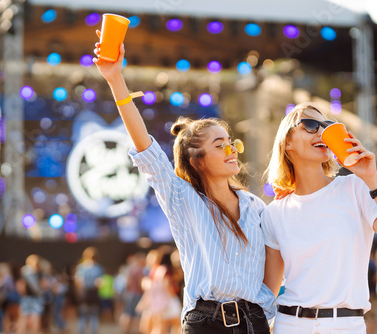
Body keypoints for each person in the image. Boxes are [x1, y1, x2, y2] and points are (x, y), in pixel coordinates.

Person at [93, 34, 276, 333]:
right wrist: (116, 80)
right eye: (220, 145)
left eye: (231, 143)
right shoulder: (182, 198)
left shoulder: (255, 206)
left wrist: (265, 306)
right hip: (206, 323)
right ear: (197, 160)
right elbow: (146, 149)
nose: (231, 150)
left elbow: (274, 261)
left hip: (254, 323)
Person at [262, 103, 377, 333]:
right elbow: (268, 292)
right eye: (310, 125)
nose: (322, 131)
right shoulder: (275, 212)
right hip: (290, 324)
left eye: (327, 126)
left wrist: (372, 178)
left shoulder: (356, 188)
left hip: (345, 325)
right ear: (287, 142)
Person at [74, 247, 104, 334]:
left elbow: (79, 282)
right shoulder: (98, 268)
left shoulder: (81, 268)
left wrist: (79, 294)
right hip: (94, 294)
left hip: (84, 294)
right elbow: (100, 283)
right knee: (94, 316)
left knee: (82, 317)